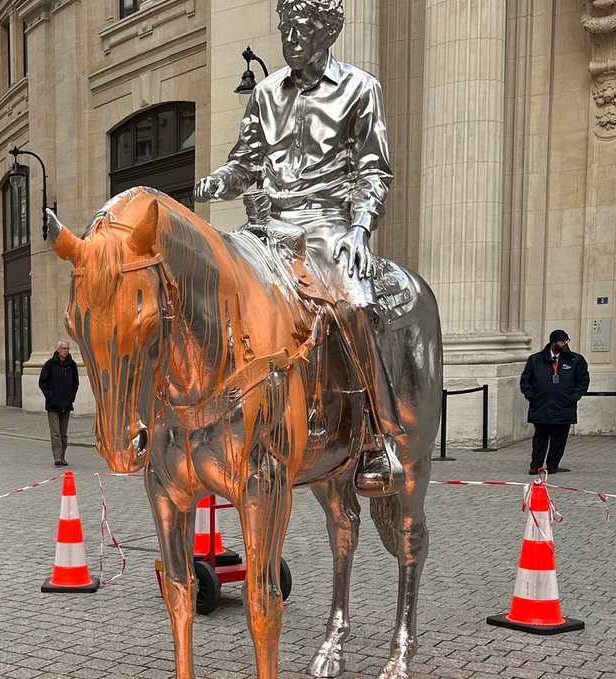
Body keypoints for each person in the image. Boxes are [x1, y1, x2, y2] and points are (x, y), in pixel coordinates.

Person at [194, 0, 400, 494]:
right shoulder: (264, 93)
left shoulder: (359, 88)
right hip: (269, 227)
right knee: (210, 292)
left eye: (305, 25)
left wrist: (359, 230)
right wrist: (218, 183)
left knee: (351, 303)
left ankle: (376, 434)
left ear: (328, 31)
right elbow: (243, 164)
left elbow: (374, 171)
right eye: (287, 24)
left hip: (328, 226)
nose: (293, 34)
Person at [519, 329, 591, 475]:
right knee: (540, 437)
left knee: (559, 439)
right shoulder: (535, 360)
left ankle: (552, 465)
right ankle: (536, 465)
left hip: (564, 406)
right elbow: (526, 380)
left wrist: (573, 398)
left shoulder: (575, 360)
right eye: (562, 341)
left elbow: (583, 381)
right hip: (541, 405)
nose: (565, 344)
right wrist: (531, 396)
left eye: (566, 341)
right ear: (553, 343)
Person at [39, 340, 80, 466]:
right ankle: (57, 457)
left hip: (66, 404)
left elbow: (75, 383)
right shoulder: (50, 365)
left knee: (63, 434)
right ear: (58, 349)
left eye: (67, 348)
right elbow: (42, 382)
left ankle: (62, 456)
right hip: (53, 405)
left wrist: (71, 398)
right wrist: (50, 397)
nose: (65, 351)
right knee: (55, 433)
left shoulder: (72, 365)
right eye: (63, 348)